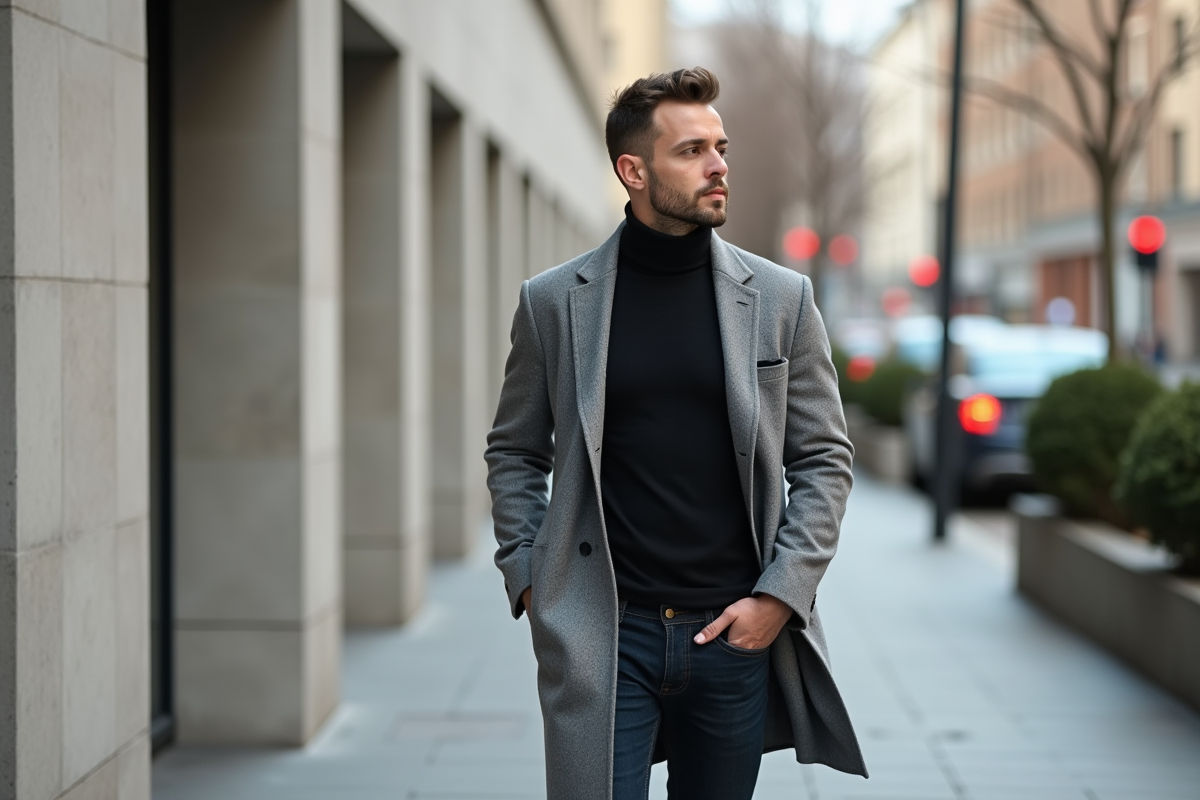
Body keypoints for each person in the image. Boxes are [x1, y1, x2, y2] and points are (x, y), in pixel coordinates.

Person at [485, 67, 866, 800]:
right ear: (634, 171)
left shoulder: (782, 299)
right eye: (691, 150)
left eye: (720, 146)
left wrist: (781, 596)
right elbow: (515, 449)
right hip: (603, 632)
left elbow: (824, 458)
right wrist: (531, 578)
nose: (719, 165)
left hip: (732, 632)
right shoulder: (555, 303)